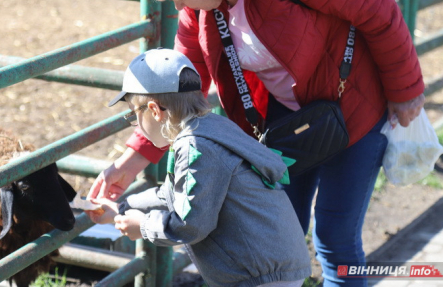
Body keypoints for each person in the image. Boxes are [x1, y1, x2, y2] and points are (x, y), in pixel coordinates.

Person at [88, 0, 425, 287]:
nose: (179, 6)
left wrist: (406, 90)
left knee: (335, 236)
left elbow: (377, 7)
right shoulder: (201, 4)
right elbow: (180, 87)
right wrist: (132, 161)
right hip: (287, 124)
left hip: (354, 107)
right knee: (279, 234)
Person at [88, 47, 311, 287]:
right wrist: (121, 208)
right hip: (270, 264)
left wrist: (142, 226)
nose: (136, 124)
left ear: (154, 110)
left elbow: (190, 226)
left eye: (134, 114)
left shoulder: (196, 146)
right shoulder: (209, 127)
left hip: (258, 275)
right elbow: (173, 195)